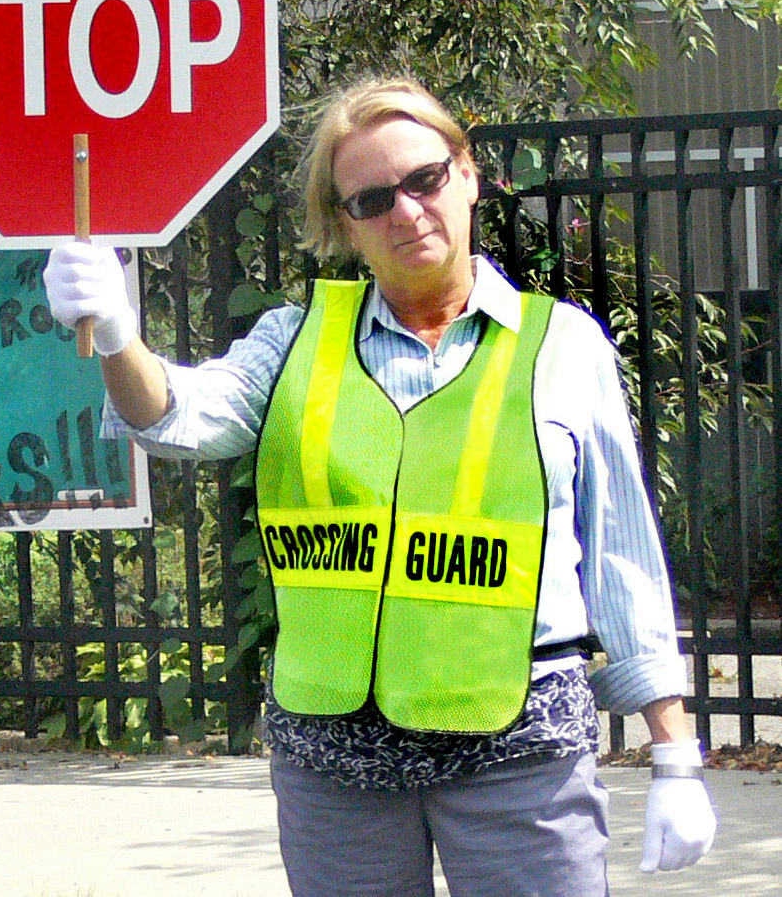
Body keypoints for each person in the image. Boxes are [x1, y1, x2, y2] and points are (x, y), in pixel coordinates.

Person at [42, 76, 717, 897]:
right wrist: (117, 334)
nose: (405, 210)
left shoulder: (562, 348)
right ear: (344, 226)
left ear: (466, 174)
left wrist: (674, 753)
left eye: (424, 179)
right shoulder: (294, 342)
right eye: (370, 198)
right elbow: (176, 416)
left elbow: (621, 559)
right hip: (336, 771)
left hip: (519, 757)